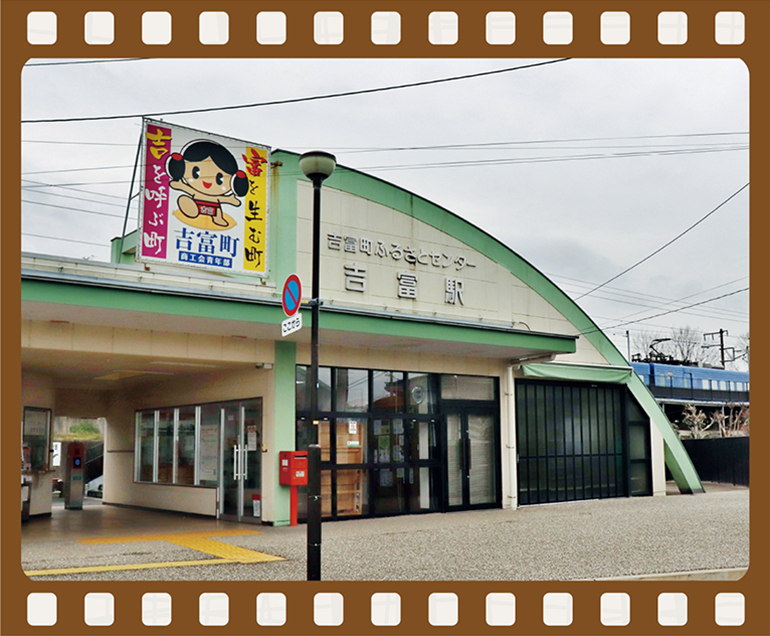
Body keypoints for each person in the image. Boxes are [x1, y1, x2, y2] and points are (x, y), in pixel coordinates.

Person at [167, 140, 249, 227]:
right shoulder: (196, 192)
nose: (207, 181)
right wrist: (180, 185)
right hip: (196, 204)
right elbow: (185, 188)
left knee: (217, 212)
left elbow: (224, 199)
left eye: (219, 179)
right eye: (196, 173)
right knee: (188, 202)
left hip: (214, 208)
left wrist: (231, 200)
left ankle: (218, 218)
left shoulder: (216, 197)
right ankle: (191, 209)